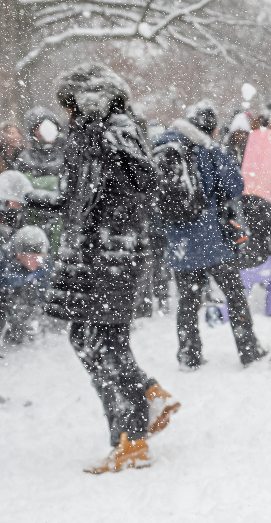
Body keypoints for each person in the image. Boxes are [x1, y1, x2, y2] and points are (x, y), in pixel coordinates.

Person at [23, 62, 175, 473]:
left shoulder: (116, 129)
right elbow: (79, 201)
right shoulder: (87, 136)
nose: (68, 114)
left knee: (107, 342)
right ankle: (146, 396)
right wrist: (30, 198)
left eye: (72, 105)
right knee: (86, 337)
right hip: (90, 252)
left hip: (115, 253)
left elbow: (143, 180)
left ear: (92, 100)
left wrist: (97, 139)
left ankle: (130, 439)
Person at [157, 110, 267, 370]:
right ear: (212, 129)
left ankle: (188, 355)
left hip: (179, 240)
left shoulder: (163, 145)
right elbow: (235, 186)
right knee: (235, 295)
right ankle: (249, 350)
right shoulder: (207, 149)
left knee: (187, 301)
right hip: (211, 238)